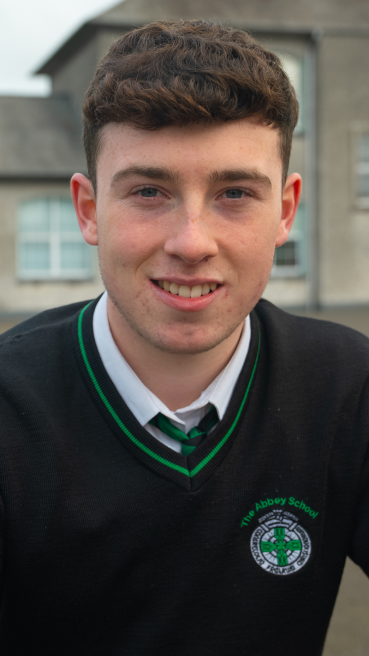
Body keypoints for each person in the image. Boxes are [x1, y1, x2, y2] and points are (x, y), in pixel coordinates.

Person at [0, 19, 368, 656]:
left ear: (285, 210)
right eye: (148, 191)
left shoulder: (349, 388)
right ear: (88, 211)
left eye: (234, 192)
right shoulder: (9, 410)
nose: (192, 242)